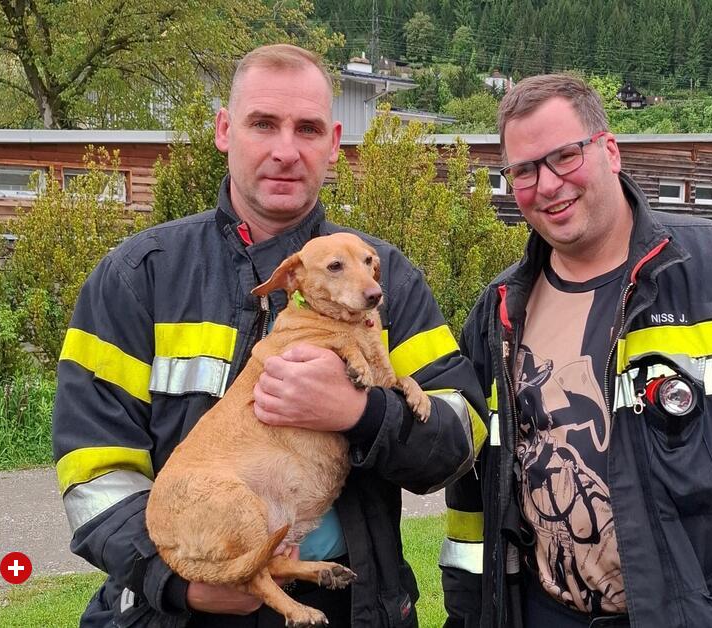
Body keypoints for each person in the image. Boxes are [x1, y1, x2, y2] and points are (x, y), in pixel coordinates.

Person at [52, 43, 487, 628]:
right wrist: (175, 582)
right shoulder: (139, 277)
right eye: (263, 124)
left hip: (348, 606)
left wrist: (360, 412)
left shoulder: (385, 281)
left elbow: (462, 436)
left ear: (334, 144)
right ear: (224, 131)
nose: (286, 151)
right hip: (176, 612)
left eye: (307, 129)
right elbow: (93, 470)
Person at [440, 74, 712, 627]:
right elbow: (472, 493)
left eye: (565, 156)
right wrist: (470, 613)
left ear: (609, 151)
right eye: (523, 169)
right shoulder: (498, 312)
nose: (546, 185)